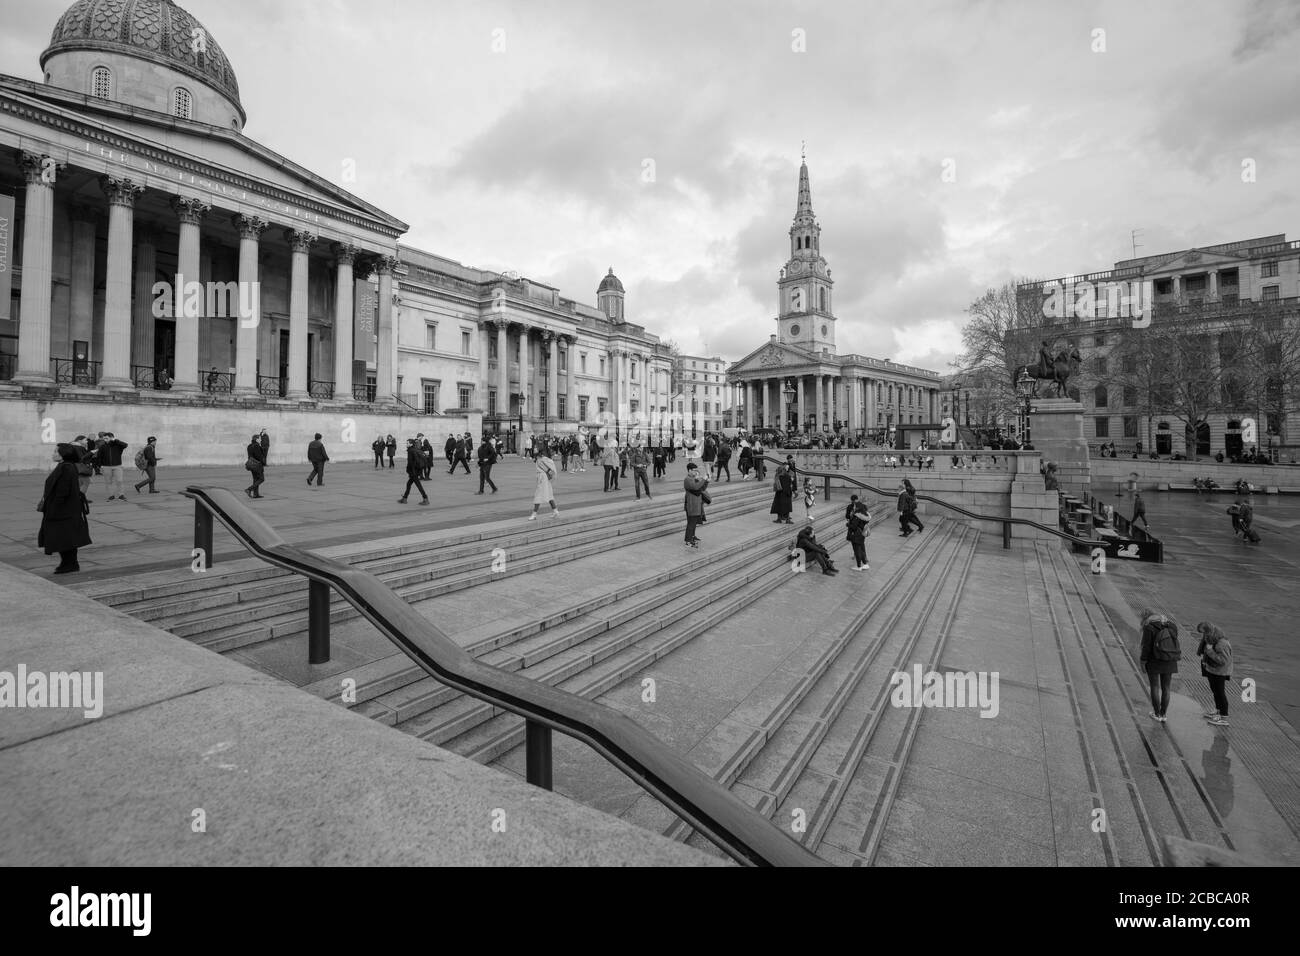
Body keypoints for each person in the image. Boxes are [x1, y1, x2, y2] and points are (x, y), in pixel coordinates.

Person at [39, 444, 92, 574]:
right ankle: (68, 563)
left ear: (64, 454)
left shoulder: (66, 467)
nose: (53, 453)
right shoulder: (65, 466)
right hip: (64, 509)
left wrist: (54, 508)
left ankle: (70, 564)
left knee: (64, 537)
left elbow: (63, 491)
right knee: (65, 537)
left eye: (56, 451)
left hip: (63, 510)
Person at [1139, 608, 1180, 723]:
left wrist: (1143, 661)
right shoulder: (1171, 625)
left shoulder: (1149, 627)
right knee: (1166, 688)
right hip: (1170, 659)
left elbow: (1146, 647)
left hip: (1155, 660)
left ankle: (1157, 713)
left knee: (1155, 687)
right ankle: (1163, 714)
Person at [1195, 622, 1233, 727]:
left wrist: (1210, 651)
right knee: (1215, 692)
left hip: (1220, 672)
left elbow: (1223, 661)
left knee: (1220, 693)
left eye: (1203, 633)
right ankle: (1218, 710)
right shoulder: (1211, 639)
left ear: (1209, 632)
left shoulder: (1222, 643)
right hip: (1212, 669)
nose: (1203, 636)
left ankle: (1224, 716)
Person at [682, 462, 709, 547]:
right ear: (689, 470)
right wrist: (703, 479)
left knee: (694, 523)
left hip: (697, 504)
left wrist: (706, 481)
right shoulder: (687, 479)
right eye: (694, 470)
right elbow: (696, 487)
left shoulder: (694, 478)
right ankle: (688, 541)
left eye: (696, 471)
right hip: (691, 505)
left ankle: (692, 537)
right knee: (691, 523)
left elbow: (702, 488)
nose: (696, 472)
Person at [528, 450, 560, 520]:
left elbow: (548, 469)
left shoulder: (541, 460)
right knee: (549, 495)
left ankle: (534, 514)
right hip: (544, 478)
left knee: (538, 495)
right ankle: (555, 511)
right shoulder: (541, 459)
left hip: (542, 479)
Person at [97, 431, 128, 501]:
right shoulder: (102, 446)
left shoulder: (118, 445)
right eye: (104, 438)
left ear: (111, 438)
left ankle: (121, 495)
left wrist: (115, 440)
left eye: (106, 438)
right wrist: (100, 465)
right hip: (106, 466)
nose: (105, 440)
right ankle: (111, 495)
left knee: (119, 481)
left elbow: (125, 445)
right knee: (108, 481)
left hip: (117, 466)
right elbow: (99, 456)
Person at [398, 439, 430, 505]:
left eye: (407, 443)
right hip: (415, 471)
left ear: (411, 444)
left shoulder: (410, 451)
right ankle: (404, 498)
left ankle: (425, 499)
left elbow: (410, 462)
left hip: (413, 472)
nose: (406, 444)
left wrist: (410, 471)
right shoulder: (414, 450)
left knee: (418, 485)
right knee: (409, 484)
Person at [847, 501, 871, 571]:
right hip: (862, 534)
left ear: (857, 507)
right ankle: (865, 564)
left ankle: (859, 566)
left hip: (856, 535)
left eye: (854, 506)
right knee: (861, 549)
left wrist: (848, 524)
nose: (853, 507)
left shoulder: (857, 516)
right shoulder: (865, 515)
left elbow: (853, 527)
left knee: (857, 550)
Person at [244, 433, 266, 498]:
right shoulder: (257, 446)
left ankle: (255, 494)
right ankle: (249, 489)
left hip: (251, 464)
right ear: (256, 439)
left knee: (255, 479)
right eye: (260, 439)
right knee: (261, 479)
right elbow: (259, 456)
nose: (261, 440)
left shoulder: (249, 446)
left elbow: (250, 456)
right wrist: (263, 462)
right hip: (257, 465)